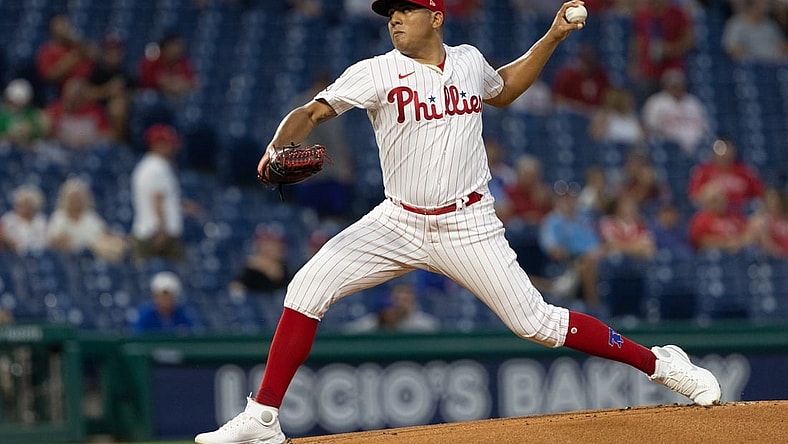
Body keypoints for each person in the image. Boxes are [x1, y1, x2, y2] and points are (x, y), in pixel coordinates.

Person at [195, 2, 721, 443]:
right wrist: (275, 144)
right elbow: (312, 113)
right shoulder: (375, 71)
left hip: (468, 224)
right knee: (307, 286)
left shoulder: (468, 62)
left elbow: (506, 87)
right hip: (397, 221)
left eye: (405, 9)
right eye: (389, 13)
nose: (394, 19)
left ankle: (663, 364)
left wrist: (554, 35)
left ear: (436, 16)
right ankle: (263, 418)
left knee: (537, 324)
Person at [130, 124, 187, 262]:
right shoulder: (157, 166)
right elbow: (158, 199)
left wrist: (184, 206)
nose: (172, 148)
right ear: (157, 144)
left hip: (147, 231)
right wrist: (161, 230)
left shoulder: (146, 166)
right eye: (168, 144)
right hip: (158, 233)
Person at [627, 0, 694, 105]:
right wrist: (635, 63)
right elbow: (639, 41)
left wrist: (671, 49)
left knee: (673, 103)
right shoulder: (643, 15)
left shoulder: (677, 14)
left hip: (673, 68)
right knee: (647, 101)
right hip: (650, 69)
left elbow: (689, 40)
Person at [46, 177, 129, 262]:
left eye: (78, 197)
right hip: (70, 257)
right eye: (73, 197)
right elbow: (52, 241)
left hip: (95, 254)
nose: (76, 200)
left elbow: (105, 233)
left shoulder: (90, 216)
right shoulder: (59, 217)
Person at [641, 69, 711, 156]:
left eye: (678, 85)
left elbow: (705, 129)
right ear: (665, 85)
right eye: (673, 85)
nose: (676, 88)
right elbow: (647, 128)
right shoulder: (656, 102)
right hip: (667, 148)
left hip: (694, 149)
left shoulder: (694, 103)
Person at [687, 138, 764, 213]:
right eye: (720, 150)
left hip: (741, 215)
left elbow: (759, 195)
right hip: (713, 216)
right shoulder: (704, 172)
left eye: (727, 150)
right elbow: (694, 197)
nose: (725, 154)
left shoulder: (745, 172)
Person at [86, 35, 136, 141]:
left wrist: (121, 94)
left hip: (116, 117)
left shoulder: (125, 75)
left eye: (117, 51)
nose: (113, 55)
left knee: (117, 107)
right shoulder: (95, 72)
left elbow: (135, 95)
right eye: (110, 51)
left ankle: (118, 143)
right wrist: (107, 90)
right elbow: (85, 94)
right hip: (94, 110)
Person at [35, 14, 96, 97]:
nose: (64, 27)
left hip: (85, 91)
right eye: (60, 25)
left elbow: (95, 57)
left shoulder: (79, 46)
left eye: (66, 24)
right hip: (58, 94)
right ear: (52, 29)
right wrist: (74, 57)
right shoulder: (46, 51)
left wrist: (79, 43)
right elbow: (50, 76)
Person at [343, 282, 440, 333]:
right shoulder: (380, 320)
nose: (401, 304)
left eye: (405, 300)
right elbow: (350, 331)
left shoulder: (424, 324)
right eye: (398, 299)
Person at [45, 78, 111, 150]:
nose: (69, 100)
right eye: (67, 95)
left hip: (89, 150)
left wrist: (88, 139)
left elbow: (107, 134)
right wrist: (68, 139)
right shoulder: (54, 110)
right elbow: (48, 133)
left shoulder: (95, 111)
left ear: (82, 97)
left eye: (74, 97)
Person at [229, 223, 292, 297]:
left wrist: (273, 270)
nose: (271, 248)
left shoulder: (286, 268)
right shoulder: (250, 270)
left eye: (275, 243)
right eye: (266, 243)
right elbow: (235, 289)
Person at [722, 0, 788, 64]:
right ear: (753, 4)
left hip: (774, 67)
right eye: (763, 4)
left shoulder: (770, 25)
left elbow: (782, 45)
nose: (767, 7)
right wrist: (755, 61)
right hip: (751, 68)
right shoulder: (736, 24)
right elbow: (732, 49)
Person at [551, 43, 610, 114]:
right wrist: (578, 107)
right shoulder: (568, 75)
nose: (587, 67)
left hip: (595, 116)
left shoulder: (600, 76)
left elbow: (608, 98)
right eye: (585, 62)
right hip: (572, 114)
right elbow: (557, 98)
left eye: (589, 63)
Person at [139, 32, 198, 99]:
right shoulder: (152, 61)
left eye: (179, 47)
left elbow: (194, 83)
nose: (177, 51)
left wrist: (174, 83)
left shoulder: (183, 62)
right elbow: (151, 81)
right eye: (174, 47)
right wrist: (173, 83)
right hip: (152, 99)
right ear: (165, 48)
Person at [0, 185, 48, 255]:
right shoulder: (8, 220)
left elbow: (45, 243)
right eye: (20, 204)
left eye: (27, 204)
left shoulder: (41, 221)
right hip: (14, 256)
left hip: (38, 255)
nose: (23, 207)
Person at [0, 79, 48, 147]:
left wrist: (30, 131)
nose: (13, 106)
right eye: (11, 102)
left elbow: (42, 132)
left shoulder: (32, 114)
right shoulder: (2, 115)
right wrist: (9, 136)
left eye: (18, 103)